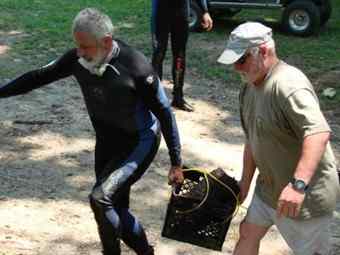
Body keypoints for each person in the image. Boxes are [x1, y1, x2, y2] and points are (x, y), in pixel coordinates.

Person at [0, 8, 185, 255]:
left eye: (85, 47)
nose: (79, 52)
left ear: (106, 42)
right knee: (113, 208)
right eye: (77, 45)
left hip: (139, 142)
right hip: (107, 142)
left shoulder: (137, 67)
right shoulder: (79, 60)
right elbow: (37, 77)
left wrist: (176, 162)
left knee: (101, 199)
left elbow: (165, 112)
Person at [217, 22, 339, 255]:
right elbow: (252, 138)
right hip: (269, 190)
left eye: (241, 60)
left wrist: (298, 186)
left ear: (263, 51)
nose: (236, 68)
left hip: (304, 199)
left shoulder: (287, 84)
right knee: (247, 233)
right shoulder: (249, 86)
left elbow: (318, 133)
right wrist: (245, 183)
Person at [151, 0, 213, 112]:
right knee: (158, 55)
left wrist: (205, 11)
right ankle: (156, 98)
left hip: (181, 10)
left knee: (180, 56)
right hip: (161, 10)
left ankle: (178, 97)